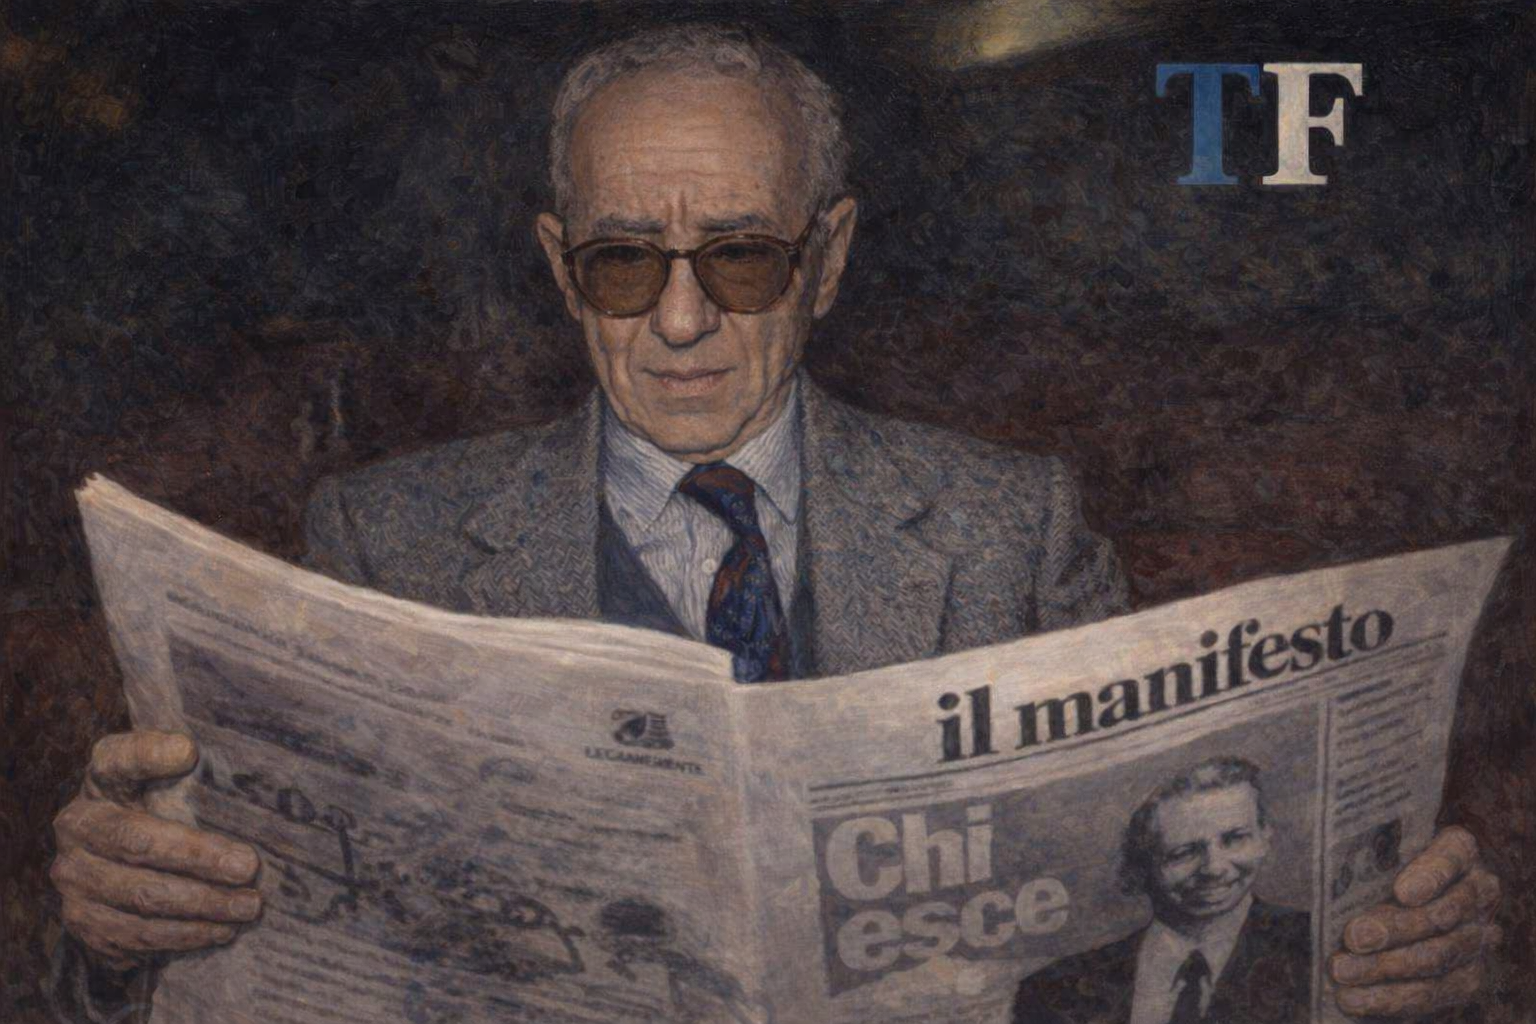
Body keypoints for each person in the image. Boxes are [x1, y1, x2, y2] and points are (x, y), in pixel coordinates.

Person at [47, 22, 1501, 1024]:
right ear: (558, 267)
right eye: (625, 263)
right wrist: (120, 942)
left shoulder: (1010, 526)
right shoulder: (385, 540)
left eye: (741, 258)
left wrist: (1397, 966)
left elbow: (1145, 923)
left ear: (830, 257)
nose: (681, 321)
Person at [1012, 757, 1309, 1024]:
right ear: (1141, 865)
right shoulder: (1053, 991)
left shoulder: (1311, 943)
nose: (1214, 868)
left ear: (1264, 836)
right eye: (1184, 852)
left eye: (1235, 839)